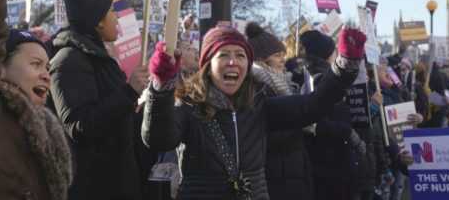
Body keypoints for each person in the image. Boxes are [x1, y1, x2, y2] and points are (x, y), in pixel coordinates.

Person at [142, 25, 366, 199]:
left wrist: (344, 66)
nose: (233, 62)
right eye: (223, 55)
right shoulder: (189, 106)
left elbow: (313, 105)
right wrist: (161, 87)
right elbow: (158, 138)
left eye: (240, 56)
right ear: (207, 65)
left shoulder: (259, 105)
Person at [0, 0, 72, 200]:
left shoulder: (47, 129)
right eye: (35, 64)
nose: (46, 75)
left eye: (47, 68)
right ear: (1, 67)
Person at [49, 0, 150, 200]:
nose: (116, 19)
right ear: (97, 21)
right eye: (111, 12)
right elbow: (78, 125)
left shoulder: (99, 59)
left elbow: (114, 116)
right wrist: (129, 91)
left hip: (118, 182)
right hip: (94, 186)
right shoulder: (69, 60)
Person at [245, 22, 314, 200]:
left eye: (283, 54)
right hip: (275, 173)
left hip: (290, 170)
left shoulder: (285, 82)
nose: (283, 59)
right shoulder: (259, 87)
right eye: (277, 55)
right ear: (261, 59)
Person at [298, 29, 366, 200]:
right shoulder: (318, 78)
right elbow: (315, 122)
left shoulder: (316, 74)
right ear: (327, 54)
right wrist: (348, 133)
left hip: (330, 162)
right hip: (328, 163)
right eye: (335, 50)